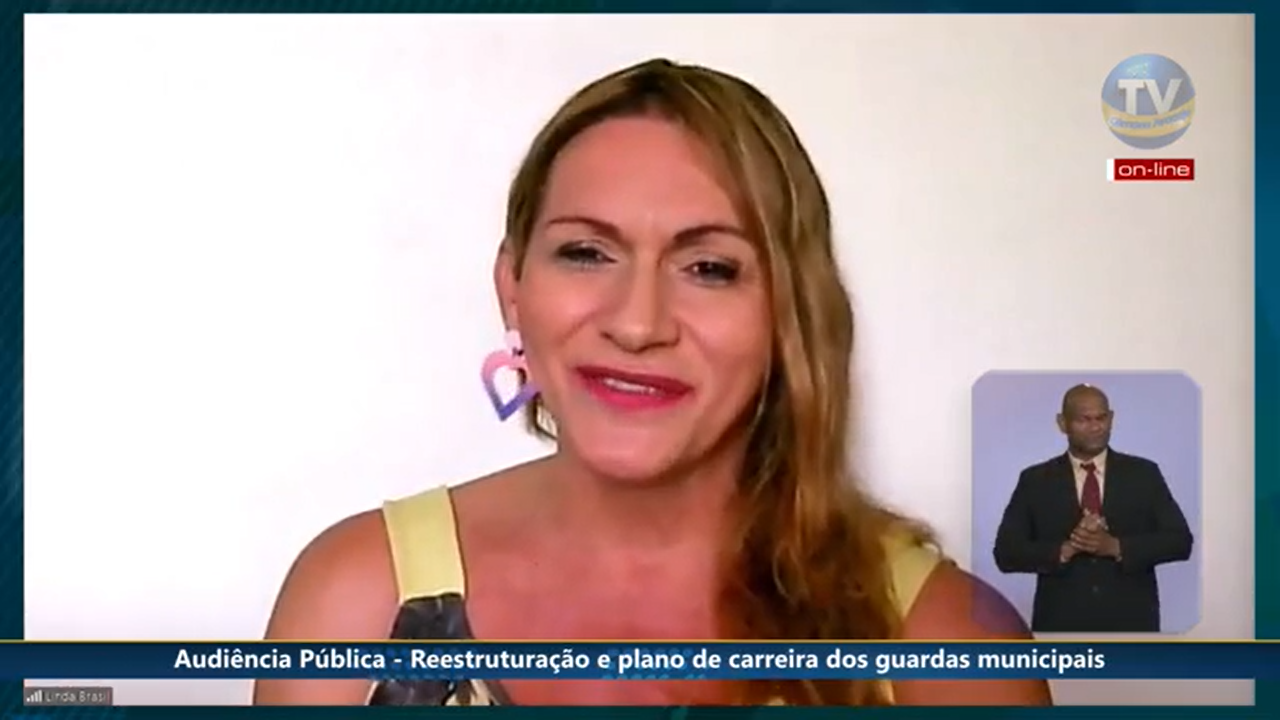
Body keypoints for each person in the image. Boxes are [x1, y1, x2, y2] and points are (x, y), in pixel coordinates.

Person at [254, 58, 1050, 707]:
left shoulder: (949, 648)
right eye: (585, 253)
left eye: (709, 268)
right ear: (513, 289)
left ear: (790, 313)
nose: (637, 324)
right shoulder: (357, 596)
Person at [992, 384, 1194, 633]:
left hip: (1132, 627)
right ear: (1062, 423)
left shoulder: (1144, 474)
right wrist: (1066, 549)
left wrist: (1116, 547)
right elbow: (1006, 553)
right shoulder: (1035, 480)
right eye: (1084, 420)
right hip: (1061, 627)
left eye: (1101, 418)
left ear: (1111, 418)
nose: (1096, 427)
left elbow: (1180, 542)